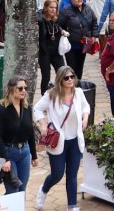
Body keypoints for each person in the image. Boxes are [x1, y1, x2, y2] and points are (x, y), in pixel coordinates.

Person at [33, 65, 90, 211]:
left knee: (72, 174)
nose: (70, 80)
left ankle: (72, 205)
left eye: (72, 77)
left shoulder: (78, 93)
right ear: (60, 80)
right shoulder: (51, 95)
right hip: (58, 142)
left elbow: (85, 106)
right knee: (57, 175)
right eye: (67, 78)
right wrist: (43, 124)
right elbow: (37, 109)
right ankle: (43, 190)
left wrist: (85, 118)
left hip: (75, 141)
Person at [0, 75, 37, 195]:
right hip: (9, 153)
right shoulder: (1, 110)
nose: (24, 91)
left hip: (25, 152)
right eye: (20, 88)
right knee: (13, 190)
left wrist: (34, 155)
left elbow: (30, 132)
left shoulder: (27, 107)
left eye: (25, 88)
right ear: (11, 89)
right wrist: (5, 160)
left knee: (22, 189)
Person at [58, 0, 97, 79]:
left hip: (84, 45)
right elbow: (58, 25)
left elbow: (94, 23)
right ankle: (71, 85)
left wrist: (94, 36)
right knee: (72, 68)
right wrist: (62, 31)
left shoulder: (87, 9)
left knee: (80, 67)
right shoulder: (65, 11)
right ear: (71, 0)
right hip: (71, 45)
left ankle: (77, 85)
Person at [38, 0, 67, 93]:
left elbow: (57, 27)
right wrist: (40, 12)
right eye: (51, 7)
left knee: (63, 73)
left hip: (56, 52)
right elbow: (37, 17)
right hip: (44, 52)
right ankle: (44, 95)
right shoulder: (41, 19)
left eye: (55, 8)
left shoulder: (56, 19)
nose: (53, 10)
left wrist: (62, 30)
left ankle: (62, 92)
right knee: (46, 76)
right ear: (46, 8)